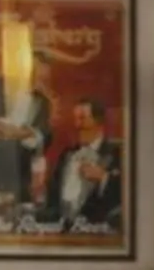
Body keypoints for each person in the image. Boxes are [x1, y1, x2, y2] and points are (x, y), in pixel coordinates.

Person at [0, 22, 49, 216]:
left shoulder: (41, 101)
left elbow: (43, 134)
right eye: (34, 70)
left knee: (23, 208)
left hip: (25, 163)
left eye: (40, 73)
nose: (37, 76)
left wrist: (21, 134)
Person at [49, 98, 122, 232]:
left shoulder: (117, 155)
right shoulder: (67, 155)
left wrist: (103, 177)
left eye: (82, 119)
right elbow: (52, 200)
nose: (77, 125)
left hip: (98, 236)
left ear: (99, 122)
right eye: (75, 119)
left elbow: (125, 199)